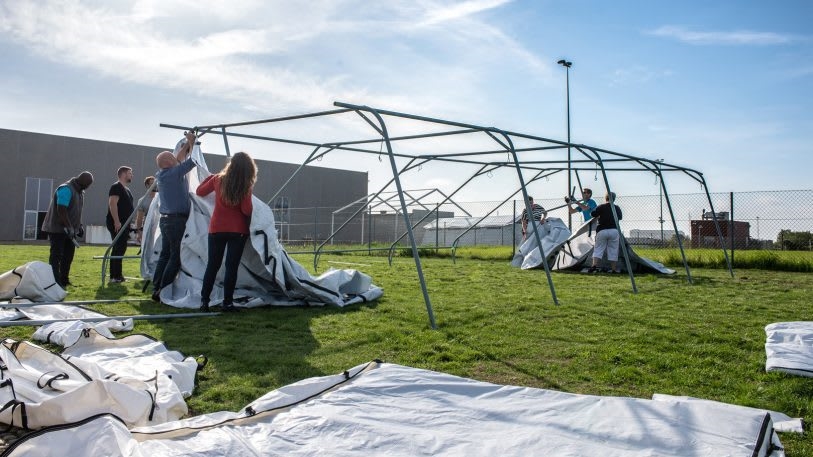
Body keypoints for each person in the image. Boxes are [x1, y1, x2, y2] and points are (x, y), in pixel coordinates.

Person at [196, 152, 257, 312]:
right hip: (238, 231)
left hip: (217, 228)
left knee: (212, 266)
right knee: (231, 267)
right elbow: (246, 210)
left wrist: (211, 177)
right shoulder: (246, 185)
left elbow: (200, 191)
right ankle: (227, 302)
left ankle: (204, 301)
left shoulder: (218, 179)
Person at [151, 131, 197, 302]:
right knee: (175, 257)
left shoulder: (162, 174)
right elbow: (193, 161)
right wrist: (193, 144)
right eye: (172, 158)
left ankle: (156, 285)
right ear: (169, 163)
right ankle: (162, 289)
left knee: (165, 254)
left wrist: (186, 144)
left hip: (166, 220)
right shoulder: (173, 173)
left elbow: (177, 159)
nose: (176, 158)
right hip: (176, 221)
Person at [41, 171, 93, 287]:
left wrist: (79, 226)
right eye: (88, 184)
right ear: (83, 182)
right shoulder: (66, 189)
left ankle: (64, 280)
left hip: (70, 231)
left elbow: (76, 211)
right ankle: (55, 281)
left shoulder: (80, 192)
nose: (88, 187)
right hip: (57, 229)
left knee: (68, 256)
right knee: (56, 256)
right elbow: (61, 209)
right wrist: (69, 227)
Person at [106, 166, 134, 283]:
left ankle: (118, 275)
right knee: (118, 248)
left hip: (125, 224)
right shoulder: (116, 187)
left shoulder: (126, 190)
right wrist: (117, 221)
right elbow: (112, 204)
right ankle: (114, 276)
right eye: (130, 173)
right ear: (123, 174)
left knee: (121, 248)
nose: (132, 175)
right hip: (117, 223)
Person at [588, 192, 623, 273]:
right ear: (614, 199)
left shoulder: (601, 206)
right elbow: (620, 217)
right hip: (614, 230)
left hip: (602, 230)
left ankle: (594, 266)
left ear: (605, 198)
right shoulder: (616, 208)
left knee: (598, 249)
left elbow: (592, 214)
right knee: (613, 250)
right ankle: (613, 269)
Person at [135, 176, 157, 243]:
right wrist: (139, 232)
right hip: (148, 227)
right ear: (147, 185)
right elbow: (139, 218)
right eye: (152, 183)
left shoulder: (161, 198)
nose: (155, 185)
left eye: (156, 183)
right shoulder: (142, 200)